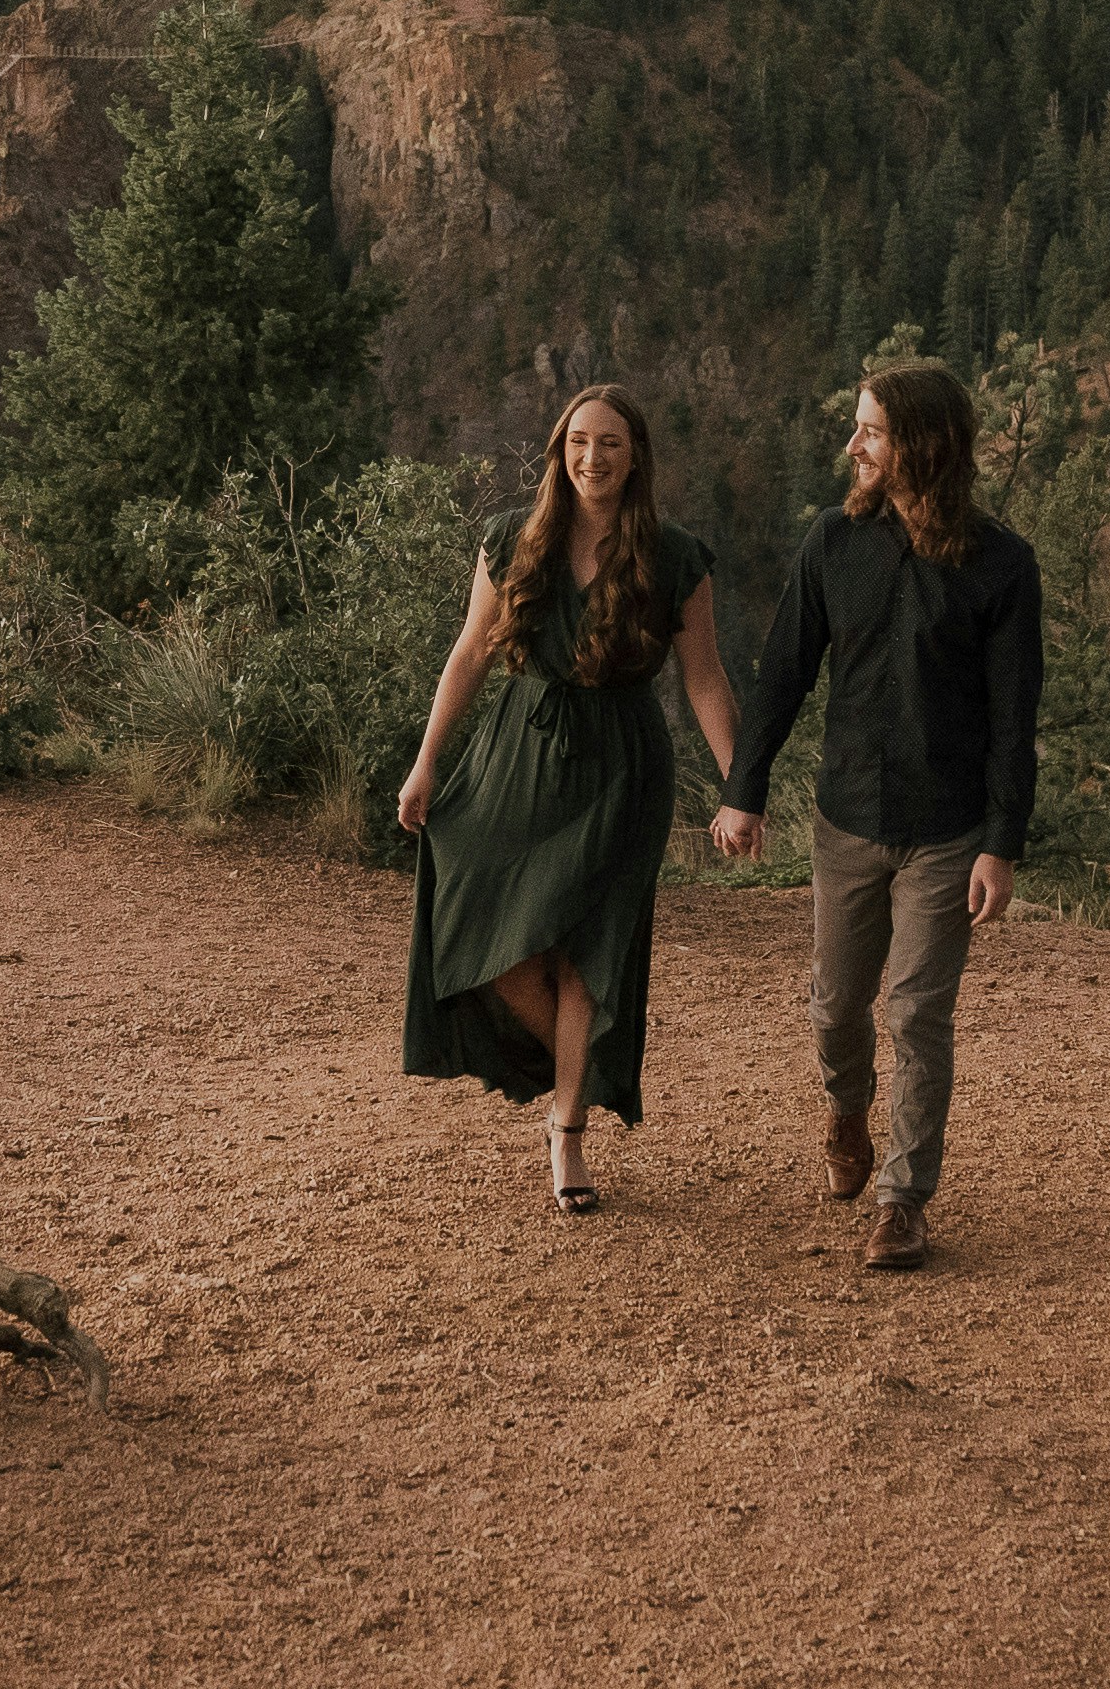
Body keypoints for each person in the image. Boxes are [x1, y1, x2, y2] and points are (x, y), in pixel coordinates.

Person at [711, 359, 1043, 1273]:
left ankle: (903, 1201)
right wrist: (744, 788)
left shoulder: (1003, 567)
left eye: (871, 432)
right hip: (846, 817)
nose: (852, 445)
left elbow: (1016, 725)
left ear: (923, 448)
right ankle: (848, 1109)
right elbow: (782, 674)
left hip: (949, 831)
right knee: (835, 1007)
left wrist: (1001, 848)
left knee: (918, 1011)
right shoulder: (831, 543)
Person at [397, 386, 743, 1215]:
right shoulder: (513, 540)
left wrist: (742, 786)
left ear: (636, 456)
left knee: (591, 951)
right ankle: (581, 1068)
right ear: (560, 450)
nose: (595, 457)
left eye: (612, 444)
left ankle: (567, 1132)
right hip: (519, 752)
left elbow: (704, 681)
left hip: (624, 765)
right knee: (495, 933)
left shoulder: (675, 555)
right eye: (580, 442)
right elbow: (469, 656)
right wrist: (426, 761)